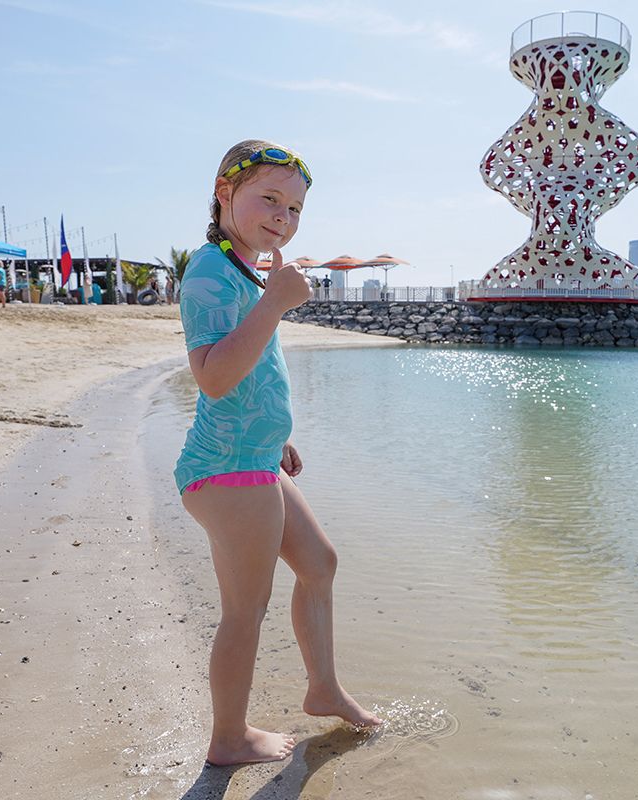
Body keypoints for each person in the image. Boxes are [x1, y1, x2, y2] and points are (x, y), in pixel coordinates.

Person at [176, 140, 382, 768]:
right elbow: (212, 376)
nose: (282, 218)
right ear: (224, 194)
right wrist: (274, 302)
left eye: (294, 208)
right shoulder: (210, 269)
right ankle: (228, 739)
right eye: (269, 199)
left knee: (319, 562)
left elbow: (253, 366)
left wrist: (276, 435)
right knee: (245, 610)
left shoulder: (243, 270)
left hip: (253, 456)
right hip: (224, 468)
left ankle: (322, 688)